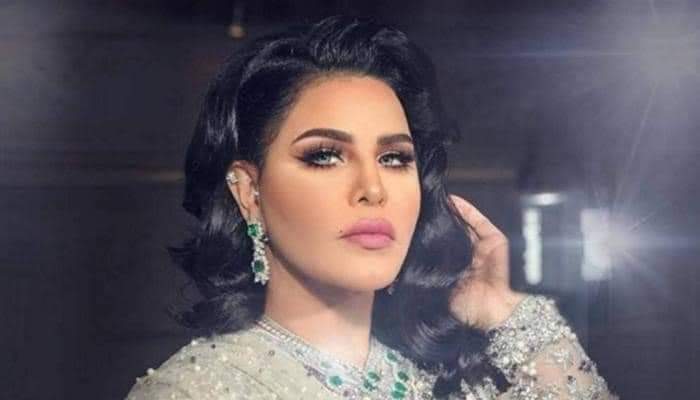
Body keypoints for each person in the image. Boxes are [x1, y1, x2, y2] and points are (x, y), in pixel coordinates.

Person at [126, 15, 617, 400]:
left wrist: (513, 314)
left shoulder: (455, 381)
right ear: (249, 191)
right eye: (325, 155)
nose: (373, 188)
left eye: (394, 158)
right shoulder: (193, 392)